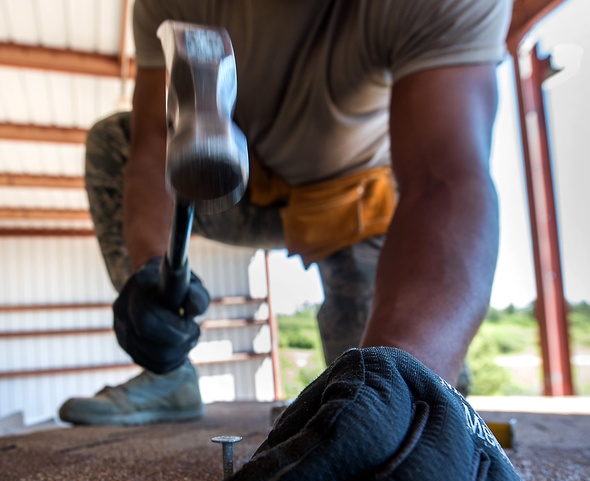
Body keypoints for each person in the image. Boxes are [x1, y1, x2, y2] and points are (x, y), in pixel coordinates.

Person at [59, 0, 510, 427]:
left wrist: (399, 394)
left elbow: (444, 180)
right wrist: (151, 270)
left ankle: (409, 395)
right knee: (111, 144)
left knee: (397, 390)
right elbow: (152, 145)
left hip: (353, 209)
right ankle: (168, 375)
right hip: (245, 185)